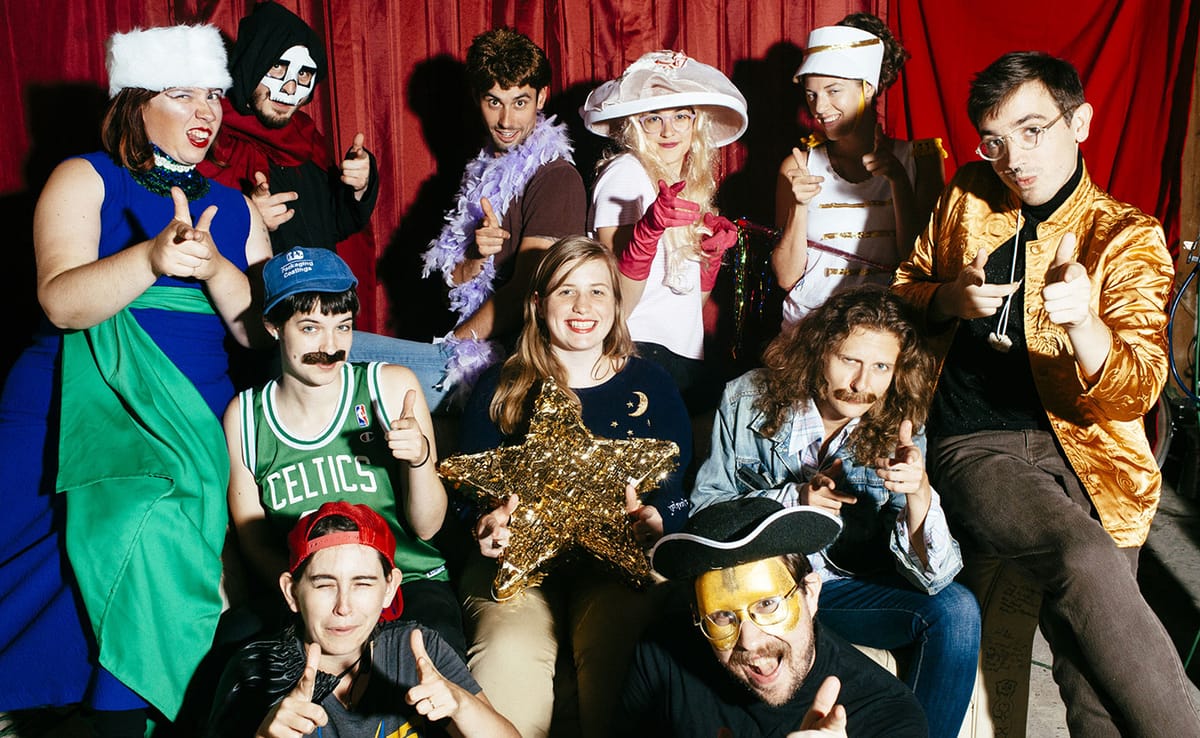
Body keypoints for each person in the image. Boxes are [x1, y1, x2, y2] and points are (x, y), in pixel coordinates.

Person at [892, 51, 1200, 736]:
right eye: (995, 139)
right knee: (1083, 556)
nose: (1013, 158)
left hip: (1096, 454)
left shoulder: (1126, 236)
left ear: (1080, 122)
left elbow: (1139, 389)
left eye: (1033, 131)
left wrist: (1086, 322)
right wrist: (949, 296)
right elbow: (902, 289)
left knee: (1091, 680)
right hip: (980, 442)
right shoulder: (969, 193)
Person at [0, 24, 271, 735]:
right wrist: (152, 259)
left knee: (147, 537)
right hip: (74, 400)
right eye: (181, 94)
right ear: (136, 101)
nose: (205, 111)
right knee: (50, 564)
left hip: (190, 408)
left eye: (212, 94)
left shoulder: (235, 207)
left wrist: (215, 267)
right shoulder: (84, 175)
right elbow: (61, 300)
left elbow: (260, 337)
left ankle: (127, 717)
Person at [689, 285, 980, 737]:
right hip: (770, 595)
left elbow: (935, 578)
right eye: (850, 361)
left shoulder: (899, 422)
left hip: (841, 592)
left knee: (957, 610)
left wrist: (920, 492)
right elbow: (705, 511)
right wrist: (792, 503)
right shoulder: (746, 397)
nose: (863, 384)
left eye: (881, 367)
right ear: (819, 350)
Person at [456, 236, 692, 738]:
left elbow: (677, 485)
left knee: (621, 643)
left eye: (598, 292)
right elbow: (466, 498)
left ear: (616, 302)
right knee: (507, 654)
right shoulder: (499, 386)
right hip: (516, 570)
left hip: (617, 564)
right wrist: (486, 523)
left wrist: (659, 520)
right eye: (566, 291)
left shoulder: (652, 384)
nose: (583, 307)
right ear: (538, 305)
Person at [224, 247, 466, 655]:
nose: (332, 346)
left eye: (344, 326)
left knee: (422, 669)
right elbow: (255, 543)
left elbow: (427, 529)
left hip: (406, 581)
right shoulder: (245, 417)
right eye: (310, 327)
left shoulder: (388, 388)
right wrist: (312, 599)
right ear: (273, 327)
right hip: (308, 595)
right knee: (236, 649)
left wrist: (421, 458)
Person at [354, 28, 587, 411]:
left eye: (520, 102)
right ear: (477, 98)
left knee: (342, 353)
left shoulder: (556, 178)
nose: (507, 119)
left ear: (542, 97)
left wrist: (452, 346)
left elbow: (529, 290)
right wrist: (478, 258)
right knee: (325, 350)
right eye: (494, 102)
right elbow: (455, 281)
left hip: (515, 366)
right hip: (475, 349)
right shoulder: (481, 170)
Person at [621, 496, 928, 736]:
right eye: (722, 615)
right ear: (697, 615)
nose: (750, 642)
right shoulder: (660, 655)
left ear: (811, 594)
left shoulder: (889, 717)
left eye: (767, 604)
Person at [209, 501, 518, 738]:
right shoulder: (257, 673)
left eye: (363, 583)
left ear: (390, 588)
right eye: (324, 584)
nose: (344, 606)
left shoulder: (416, 650)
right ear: (292, 592)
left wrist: (461, 705)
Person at [582, 50, 747, 401]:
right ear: (634, 125)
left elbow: (689, 303)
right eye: (653, 118)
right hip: (634, 352)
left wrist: (709, 259)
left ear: (695, 123)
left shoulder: (686, 182)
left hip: (681, 357)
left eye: (681, 116)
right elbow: (615, 303)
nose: (669, 130)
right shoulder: (626, 173)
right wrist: (646, 235)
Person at [774, 14, 944, 324]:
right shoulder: (798, 165)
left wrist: (898, 181)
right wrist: (799, 206)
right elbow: (786, 277)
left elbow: (920, 269)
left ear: (868, 88)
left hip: (882, 333)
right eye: (811, 94)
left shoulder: (921, 160)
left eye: (833, 90)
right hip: (806, 332)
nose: (820, 108)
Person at [199, 1, 378, 256]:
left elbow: (332, 227)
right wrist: (248, 220)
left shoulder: (306, 139)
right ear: (251, 65)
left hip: (319, 292)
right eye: (277, 67)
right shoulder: (208, 138)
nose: (290, 88)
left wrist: (359, 187)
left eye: (304, 74)